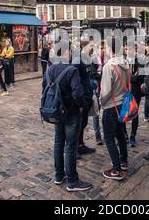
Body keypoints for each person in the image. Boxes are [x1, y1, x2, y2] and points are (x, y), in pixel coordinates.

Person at [42, 48, 93, 192]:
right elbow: (78, 94)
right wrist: (83, 106)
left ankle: (59, 175)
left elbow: (44, 90)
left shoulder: (50, 69)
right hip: (71, 113)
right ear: (66, 52)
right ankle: (72, 181)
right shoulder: (71, 70)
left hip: (57, 111)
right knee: (70, 146)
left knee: (58, 143)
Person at [100, 37, 130, 180]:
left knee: (109, 137)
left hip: (111, 106)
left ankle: (116, 170)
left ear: (111, 49)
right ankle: (123, 161)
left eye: (106, 46)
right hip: (123, 103)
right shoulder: (125, 63)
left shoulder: (109, 66)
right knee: (120, 134)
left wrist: (100, 102)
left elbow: (105, 91)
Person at [76, 41, 96, 159]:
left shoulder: (87, 58)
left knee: (83, 123)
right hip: (82, 96)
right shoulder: (78, 60)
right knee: (78, 124)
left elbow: (90, 74)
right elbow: (77, 80)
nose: (92, 48)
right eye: (90, 46)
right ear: (84, 46)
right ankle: (75, 148)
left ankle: (81, 144)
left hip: (88, 95)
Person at [123, 43, 144, 148]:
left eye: (131, 49)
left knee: (134, 114)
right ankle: (124, 135)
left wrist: (128, 76)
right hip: (124, 91)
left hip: (136, 92)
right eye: (127, 49)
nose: (129, 51)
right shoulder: (123, 62)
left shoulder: (140, 62)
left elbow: (140, 78)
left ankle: (132, 136)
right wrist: (132, 76)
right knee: (123, 113)